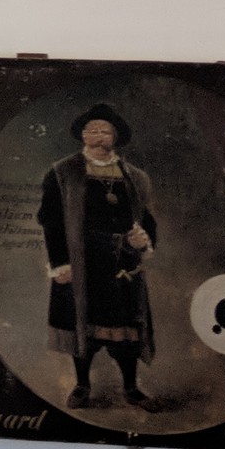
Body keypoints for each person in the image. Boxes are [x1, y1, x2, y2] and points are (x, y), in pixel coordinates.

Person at [36, 103, 162, 413]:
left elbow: (146, 218)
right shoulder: (62, 172)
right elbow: (50, 219)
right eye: (92, 130)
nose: (98, 135)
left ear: (115, 137)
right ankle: (82, 386)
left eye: (105, 130)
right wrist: (60, 264)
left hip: (122, 263)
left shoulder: (134, 176)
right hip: (81, 263)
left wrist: (143, 239)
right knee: (84, 328)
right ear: (82, 135)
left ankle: (131, 388)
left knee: (127, 330)